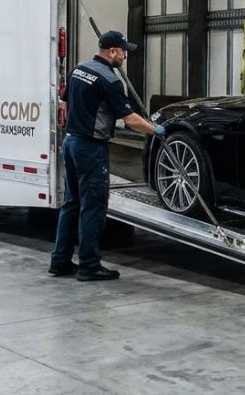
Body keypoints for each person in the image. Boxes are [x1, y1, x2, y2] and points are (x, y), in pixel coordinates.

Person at [49, 30, 164, 281]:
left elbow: (64, 101)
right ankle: (89, 266)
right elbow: (130, 119)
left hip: (70, 143)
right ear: (112, 51)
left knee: (71, 203)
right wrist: (155, 129)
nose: (124, 55)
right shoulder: (109, 79)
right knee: (93, 207)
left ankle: (60, 261)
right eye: (123, 51)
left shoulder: (79, 69)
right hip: (90, 148)